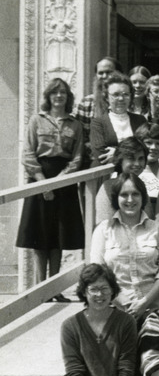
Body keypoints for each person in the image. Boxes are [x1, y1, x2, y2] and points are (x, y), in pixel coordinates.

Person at [16, 78, 85, 295]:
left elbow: (77, 157)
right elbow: (28, 154)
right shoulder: (37, 120)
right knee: (40, 235)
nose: (59, 96)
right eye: (54, 93)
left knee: (58, 236)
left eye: (63, 93)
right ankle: (39, 290)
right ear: (48, 97)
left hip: (63, 181)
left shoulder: (75, 125)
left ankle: (54, 289)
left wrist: (60, 181)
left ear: (68, 97)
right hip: (40, 178)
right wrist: (43, 183)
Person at [91, 172, 159, 321]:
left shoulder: (158, 229)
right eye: (124, 194)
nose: (130, 200)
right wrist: (124, 301)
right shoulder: (103, 230)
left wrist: (144, 303)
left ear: (143, 197)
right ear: (116, 198)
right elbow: (97, 271)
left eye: (135, 194)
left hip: (155, 310)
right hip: (115, 310)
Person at [90, 72, 147, 165]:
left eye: (125, 94)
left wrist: (116, 152)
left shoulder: (140, 120)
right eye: (116, 94)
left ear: (130, 97)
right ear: (107, 97)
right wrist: (130, 152)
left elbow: (145, 149)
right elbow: (100, 154)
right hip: (107, 173)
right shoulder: (98, 123)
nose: (121, 98)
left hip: (135, 171)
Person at [94, 137, 150, 224]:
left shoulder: (140, 185)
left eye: (141, 158)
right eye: (131, 158)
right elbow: (104, 226)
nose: (137, 164)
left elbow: (149, 222)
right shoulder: (108, 187)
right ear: (120, 160)